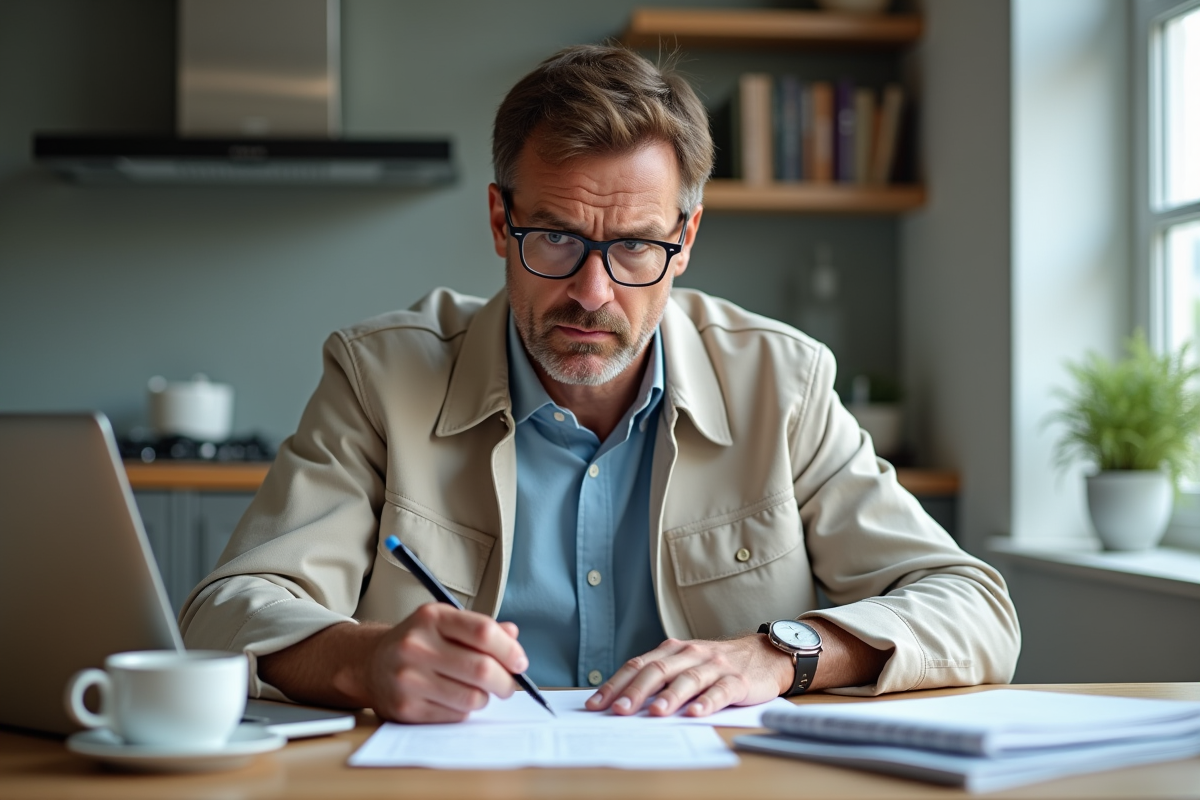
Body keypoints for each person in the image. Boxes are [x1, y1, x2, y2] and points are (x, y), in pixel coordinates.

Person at [179, 44, 1020, 724]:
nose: (592, 291)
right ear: (501, 222)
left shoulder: (781, 381)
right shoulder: (378, 376)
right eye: (555, 237)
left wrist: (782, 652)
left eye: (634, 247)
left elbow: (974, 607)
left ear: (685, 240)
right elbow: (226, 613)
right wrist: (365, 661)